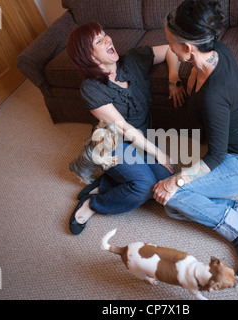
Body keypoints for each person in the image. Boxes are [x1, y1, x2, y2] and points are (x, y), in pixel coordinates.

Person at [152, 0, 238, 279]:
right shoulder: (214, 50)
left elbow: (214, 157)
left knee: (174, 199)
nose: (167, 45)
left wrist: (174, 180)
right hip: (233, 151)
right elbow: (175, 58)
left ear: (188, 48)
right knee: (176, 205)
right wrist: (174, 77)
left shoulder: (216, 93)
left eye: (170, 40)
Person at [66, 22, 186, 235]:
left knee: (164, 182)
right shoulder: (91, 88)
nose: (108, 39)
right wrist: (159, 153)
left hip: (141, 140)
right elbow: (122, 127)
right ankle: (94, 203)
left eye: (105, 34)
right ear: (89, 56)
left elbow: (170, 50)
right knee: (144, 187)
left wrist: (173, 78)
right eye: (99, 40)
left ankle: (106, 183)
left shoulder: (132, 60)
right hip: (110, 142)